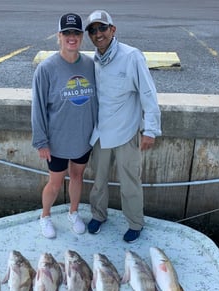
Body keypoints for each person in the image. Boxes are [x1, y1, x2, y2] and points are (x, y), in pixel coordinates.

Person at [85, 10, 162, 243]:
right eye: (93, 30)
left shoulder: (132, 56)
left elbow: (149, 94)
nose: (98, 34)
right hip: (100, 133)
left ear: (113, 30)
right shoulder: (94, 60)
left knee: (130, 183)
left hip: (127, 132)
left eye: (102, 28)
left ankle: (135, 222)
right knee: (98, 183)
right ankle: (98, 215)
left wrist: (150, 130)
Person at [31, 13, 97, 239]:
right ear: (59, 36)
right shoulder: (46, 68)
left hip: (83, 138)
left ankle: (73, 212)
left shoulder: (90, 65)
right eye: (67, 33)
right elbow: (38, 107)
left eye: (76, 33)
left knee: (77, 177)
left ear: (81, 37)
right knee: (55, 182)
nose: (72, 37)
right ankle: (45, 216)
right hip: (57, 140)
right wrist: (41, 141)